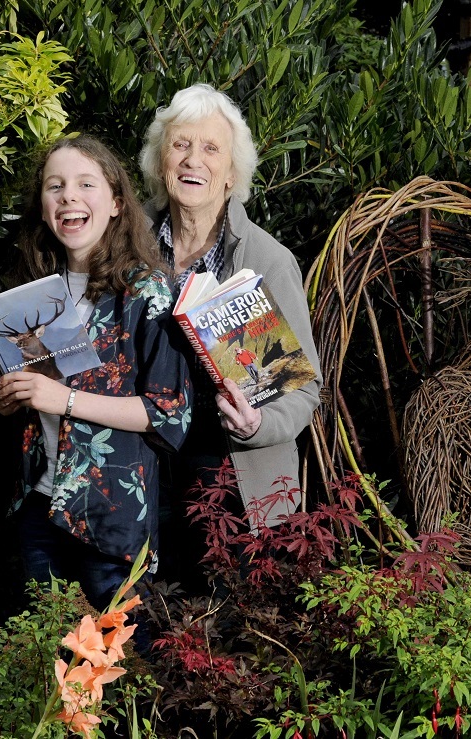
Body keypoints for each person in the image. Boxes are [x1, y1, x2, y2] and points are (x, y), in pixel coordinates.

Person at [0, 134, 193, 610]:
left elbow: (168, 412)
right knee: (46, 661)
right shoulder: (33, 292)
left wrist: (64, 400)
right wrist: (7, 395)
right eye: (55, 186)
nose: (69, 197)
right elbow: (36, 398)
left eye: (85, 184)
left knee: (120, 666)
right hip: (40, 504)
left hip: (111, 516)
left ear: (117, 202)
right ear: (42, 207)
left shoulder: (147, 292)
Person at [138, 83, 321, 588]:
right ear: (160, 162)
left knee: (226, 643)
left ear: (232, 174)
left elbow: (304, 390)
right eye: (181, 145)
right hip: (144, 474)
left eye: (211, 148)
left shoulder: (267, 260)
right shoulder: (128, 248)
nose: (193, 160)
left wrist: (257, 422)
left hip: (235, 482)